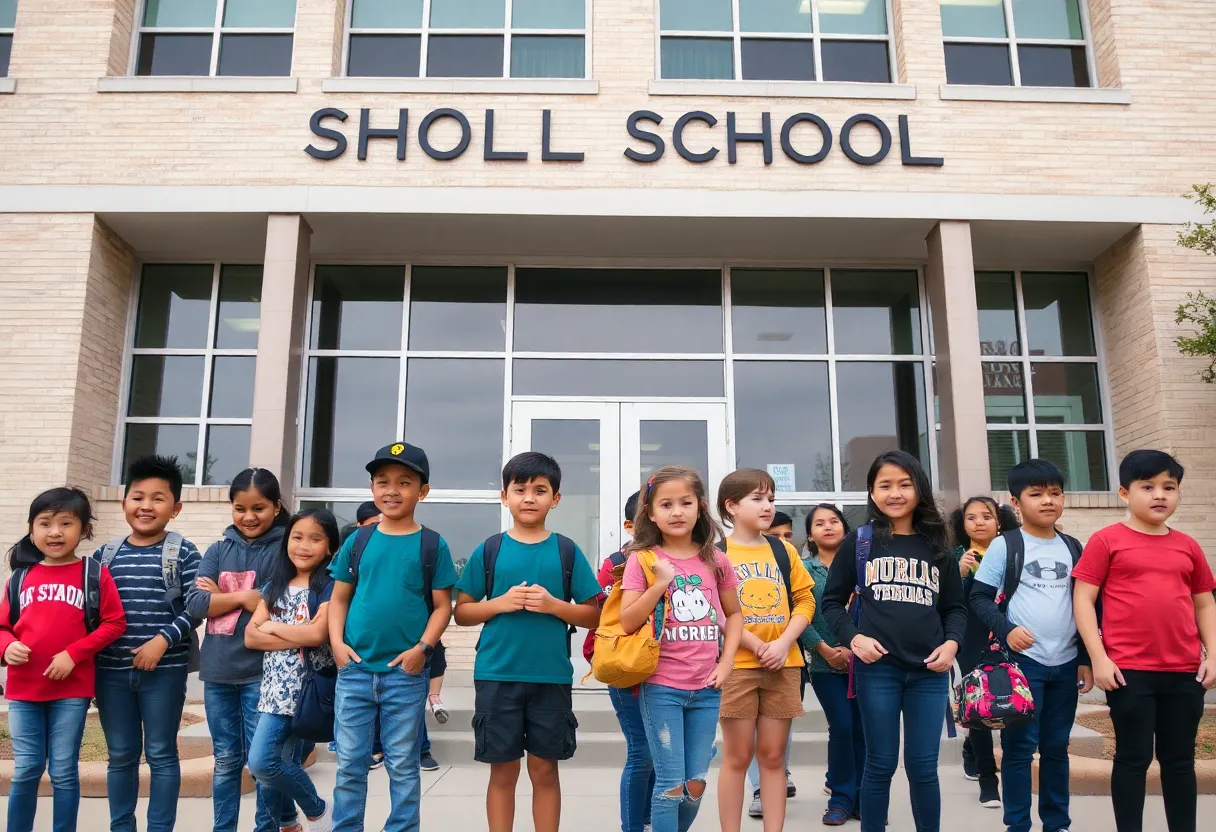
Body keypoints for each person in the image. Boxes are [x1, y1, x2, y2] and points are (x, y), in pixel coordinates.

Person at [454, 451, 602, 832]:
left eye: (540, 490)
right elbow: (463, 612)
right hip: (497, 674)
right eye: (520, 489)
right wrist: (499, 604)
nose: (529, 498)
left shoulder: (566, 550)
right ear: (505, 496)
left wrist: (555, 606)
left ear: (556, 499)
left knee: (544, 770)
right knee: (502, 772)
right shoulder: (490, 549)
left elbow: (594, 614)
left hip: (550, 676)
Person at [820, 450, 967, 832]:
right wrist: (853, 639)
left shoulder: (938, 545)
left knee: (922, 768)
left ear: (919, 489)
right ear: (872, 492)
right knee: (880, 763)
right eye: (885, 485)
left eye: (905, 484)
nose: (895, 493)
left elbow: (956, 608)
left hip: (928, 673)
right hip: (877, 671)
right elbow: (832, 603)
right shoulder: (860, 542)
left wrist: (951, 645)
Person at [1073, 449, 1216, 832]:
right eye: (1148, 486)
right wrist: (1099, 658)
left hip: (1185, 672)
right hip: (1129, 672)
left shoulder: (1187, 546)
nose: (1160, 495)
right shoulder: (1107, 541)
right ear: (1124, 493)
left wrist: (1214, 655)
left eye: (1169, 487)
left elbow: (1204, 603)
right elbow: (1083, 601)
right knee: (1133, 758)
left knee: (1180, 761)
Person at [328, 442, 458, 832]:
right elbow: (339, 600)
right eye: (382, 481)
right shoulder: (358, 541)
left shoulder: (432, 544)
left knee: (403, 764)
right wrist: (336, 643)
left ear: (423, 491)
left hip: (405, 673)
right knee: (350, 764)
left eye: (404, 482)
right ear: (372, 489)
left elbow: (442, 607)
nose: (392, 490)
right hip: (354, 671)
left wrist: (423, 649)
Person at [969, 461, 1094, 832]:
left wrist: (1085, 658)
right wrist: (1006, 629)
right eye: (1036, 494)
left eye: (1055, 493)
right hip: (1024, 664)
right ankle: (1018, 824)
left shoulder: (1073, 547)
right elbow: (979, 598)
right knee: (1020, 749)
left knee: (1057, 748)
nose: (1048, 501)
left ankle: (1057, 824)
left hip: (1067, 662)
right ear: (1015, 502)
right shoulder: (1005, 545)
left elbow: (1085, 606)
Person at [619, 465, 744, 832]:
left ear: (700, 507)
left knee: (695, 786)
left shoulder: (716, 559)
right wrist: (659, 584)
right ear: (651, 513)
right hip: (661, 687)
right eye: (667, 504)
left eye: (686, 502)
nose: (677, 512)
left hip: (707, 689)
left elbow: (734, 616)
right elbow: (628, 620)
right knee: (670, 787)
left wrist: (726, 662)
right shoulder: (642, 560)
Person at [0, 487, 126, 832]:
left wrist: (74, 653)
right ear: (32, 529)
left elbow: (115, 623)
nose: (55, 532)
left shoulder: (94, 574)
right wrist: (6, 645)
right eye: (45, 523)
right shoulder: (20, 577)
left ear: (83, 529)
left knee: (63, 770)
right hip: (24, 690)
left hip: (72, 690)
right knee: (26, 769)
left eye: (66, 523)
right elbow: (2, 627)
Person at [94, 455, 202, 832]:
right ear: (124, 502)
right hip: (110, 673)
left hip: (165, 673)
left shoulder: (183, 552)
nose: (146, 506)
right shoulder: (104, 556)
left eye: (158, 498)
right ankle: (121, 827)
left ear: (175, 508)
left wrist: (162, 641)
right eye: (138, 496)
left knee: (161, 754)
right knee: (121, 755)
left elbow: (197, 607)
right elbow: (89, 614)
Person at [185, 467, 292, 832]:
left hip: (263, 674)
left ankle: (269, 827)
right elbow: (197, 605)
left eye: (259, 508)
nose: (248, 517)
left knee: (263, 762)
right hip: (217, 672)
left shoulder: (286, 550)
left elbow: (280, 600)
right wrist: (246, 597)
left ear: (276, 507)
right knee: (226, 760)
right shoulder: (218, 549)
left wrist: (223, 596)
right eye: (240, 508)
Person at [716, 471, 814, 832]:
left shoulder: (782, 550)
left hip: (784, 665)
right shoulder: (718, 554)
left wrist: (784, 642)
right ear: (731, 506)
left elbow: (804, 600)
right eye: (757, 498)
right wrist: (757, 645)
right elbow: (714, 610)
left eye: (770, 498)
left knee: (773, 758)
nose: (767, 506)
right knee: (737, 757)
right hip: (737, 667)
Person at [247, 509, 341, 832]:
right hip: (273, 691)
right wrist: (291, 632)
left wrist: (271, 626)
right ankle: (288, 823)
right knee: (276, 766)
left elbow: (317, 635)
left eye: (315, 539)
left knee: (262, 763)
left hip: (304, 693)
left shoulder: (329, 586)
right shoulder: (275, 585)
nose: (304, 545)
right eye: (297, 537)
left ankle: (316, 809)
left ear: (329, 547)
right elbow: (250, 635)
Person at [583, 491, 654, 832]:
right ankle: (634, 825)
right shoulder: (615, 564)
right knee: (642, 751)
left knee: (661, 752)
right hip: (627, 670)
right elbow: (601, 618)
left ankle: (649, 814)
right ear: (630, 525)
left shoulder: (681, 560)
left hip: (672, 672)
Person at [948, 495, 1019, 808]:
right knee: (978, 709)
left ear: (999, 521)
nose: (979, 523)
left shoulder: (1013, 552)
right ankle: (987, 781)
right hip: (970, 640)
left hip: (1008, 638)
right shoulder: (954, 556)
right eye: (971, 517)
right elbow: (949, 604)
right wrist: (958, 573)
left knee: (1009, 706)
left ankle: (1008, 776)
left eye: (986, 516)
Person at [798, 504, 865, 826]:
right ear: (810, 534)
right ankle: (840, 798)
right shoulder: (804, 569)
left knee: (864, 729)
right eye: (819, 524)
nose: (828, 527)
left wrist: (857, 647)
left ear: (844, 528)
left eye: (834, 521)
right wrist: (823, 649)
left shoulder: (864, 566)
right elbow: (799, 614)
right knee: (841, 727)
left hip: (867, 660)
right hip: (825, 664)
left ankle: (864, 797)